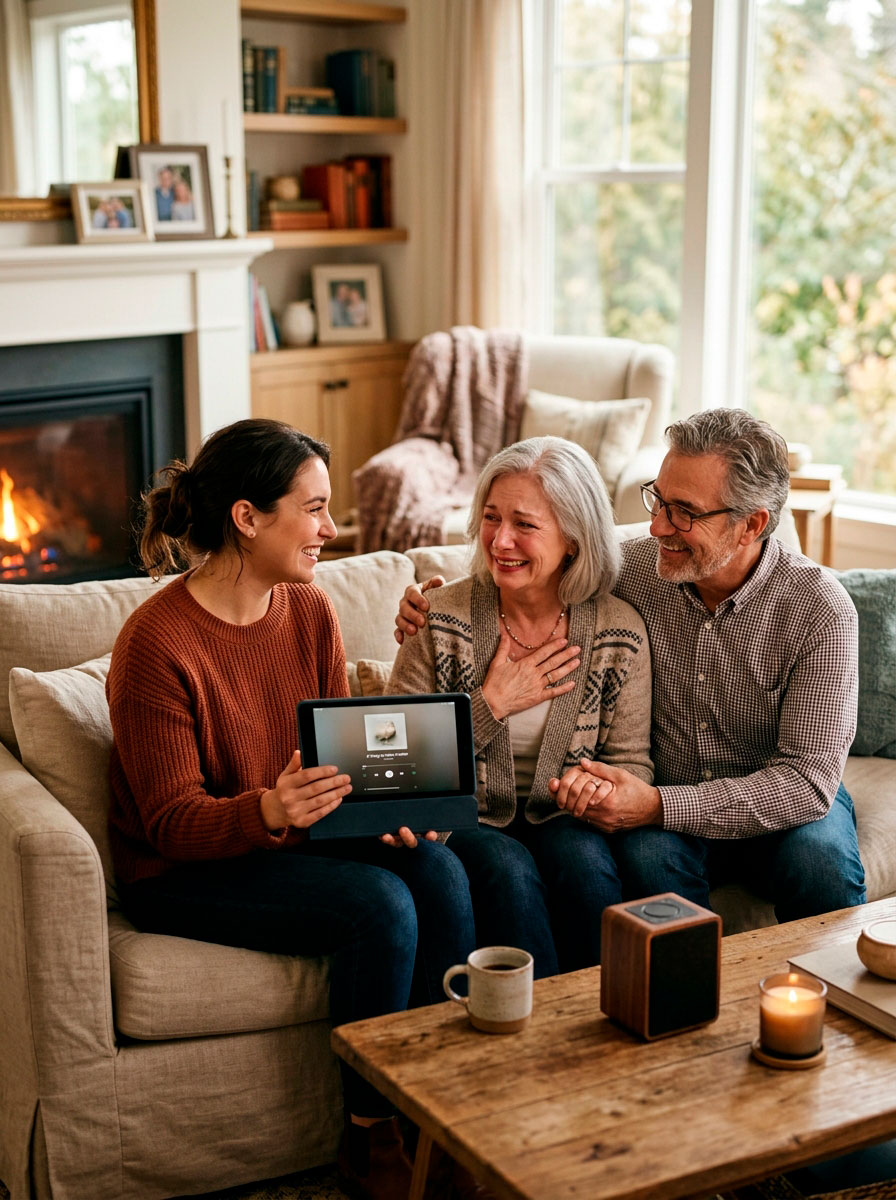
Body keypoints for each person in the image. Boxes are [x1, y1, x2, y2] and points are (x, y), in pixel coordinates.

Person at [107, 418, 476, 1200]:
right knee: (378, 906)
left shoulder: (309, 612)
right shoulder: (156, 645)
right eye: (312, 510)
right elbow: (172, 821)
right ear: (247, 517)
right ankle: (369, 1138)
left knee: (438, 868)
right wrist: (269, 808)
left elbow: (338, 763)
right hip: (181, 867)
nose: (330, 530)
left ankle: (445, 1114)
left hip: (289, 834)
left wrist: (388, 811)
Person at [396, 408, 867, 924]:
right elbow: (541, 559)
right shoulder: (636, 567)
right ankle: (680, 998)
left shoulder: (821, 610)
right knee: (647, 861)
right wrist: (430, 600)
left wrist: (655, 806)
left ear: (750, 525)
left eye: (683, 511)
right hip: (662, 804)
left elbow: (806, 782)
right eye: (657, 499)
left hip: (772, 801)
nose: (657, 526)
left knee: (820, 862)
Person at [388, 435, 658, 975]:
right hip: (466, 818)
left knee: (586, 867)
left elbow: (632, 762)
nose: (501, 540)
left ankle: (600, 1021)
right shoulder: (438, 616)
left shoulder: (618, 631)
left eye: (525, 524)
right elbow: (399, 762)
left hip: (564, 819)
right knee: (507, 869)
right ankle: (529, 1040)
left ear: (574, 540)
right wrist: (491, 702)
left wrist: (598, 787)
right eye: (491, 518)